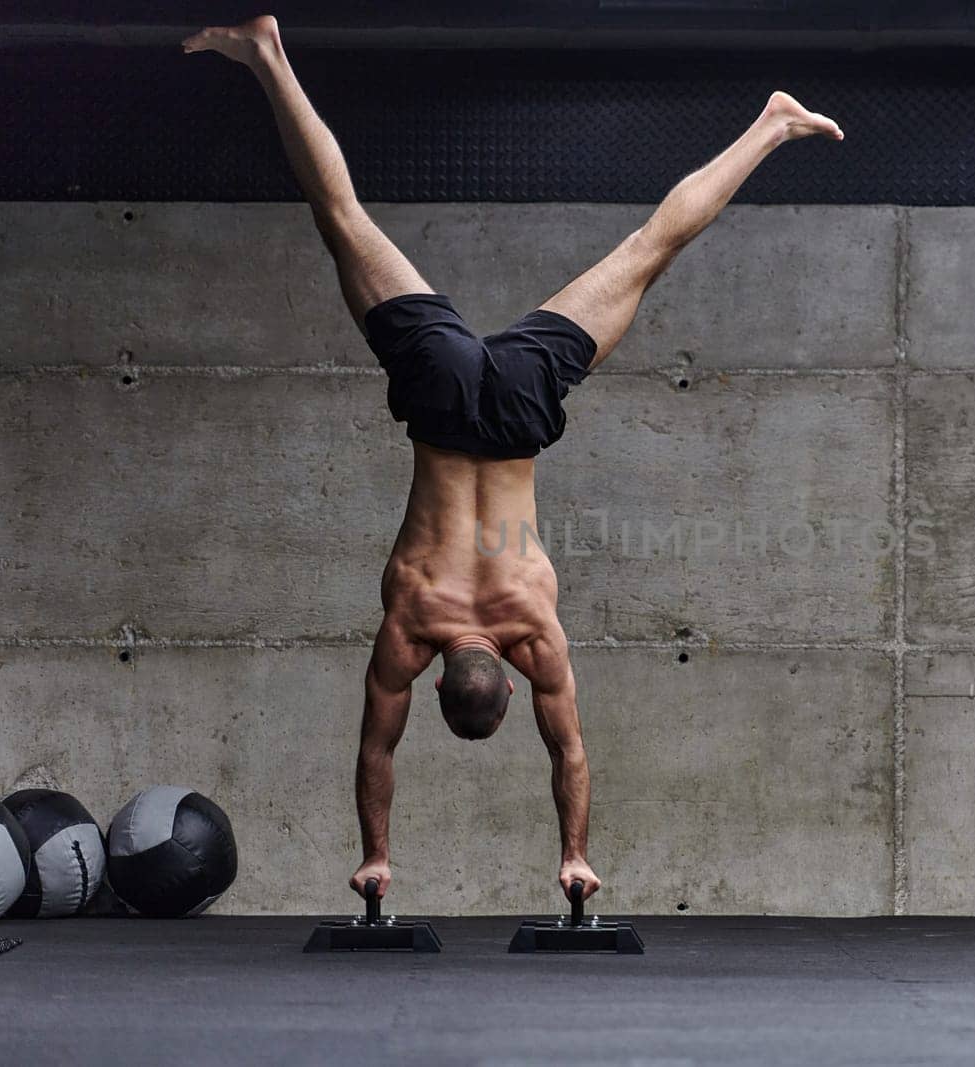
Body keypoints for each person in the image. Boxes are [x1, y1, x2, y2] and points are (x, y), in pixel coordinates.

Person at [183, 15, 843, 902]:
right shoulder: (415, 623)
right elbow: (382, 747)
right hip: (444, 397)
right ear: (441, 672)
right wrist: (375, 854)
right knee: (340, 221)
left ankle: (769, 124)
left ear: (506, 672)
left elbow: (561, 747)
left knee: (650, 252)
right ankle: (268, 53)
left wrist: (577, 851)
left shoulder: (534, 631)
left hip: (521, 407)